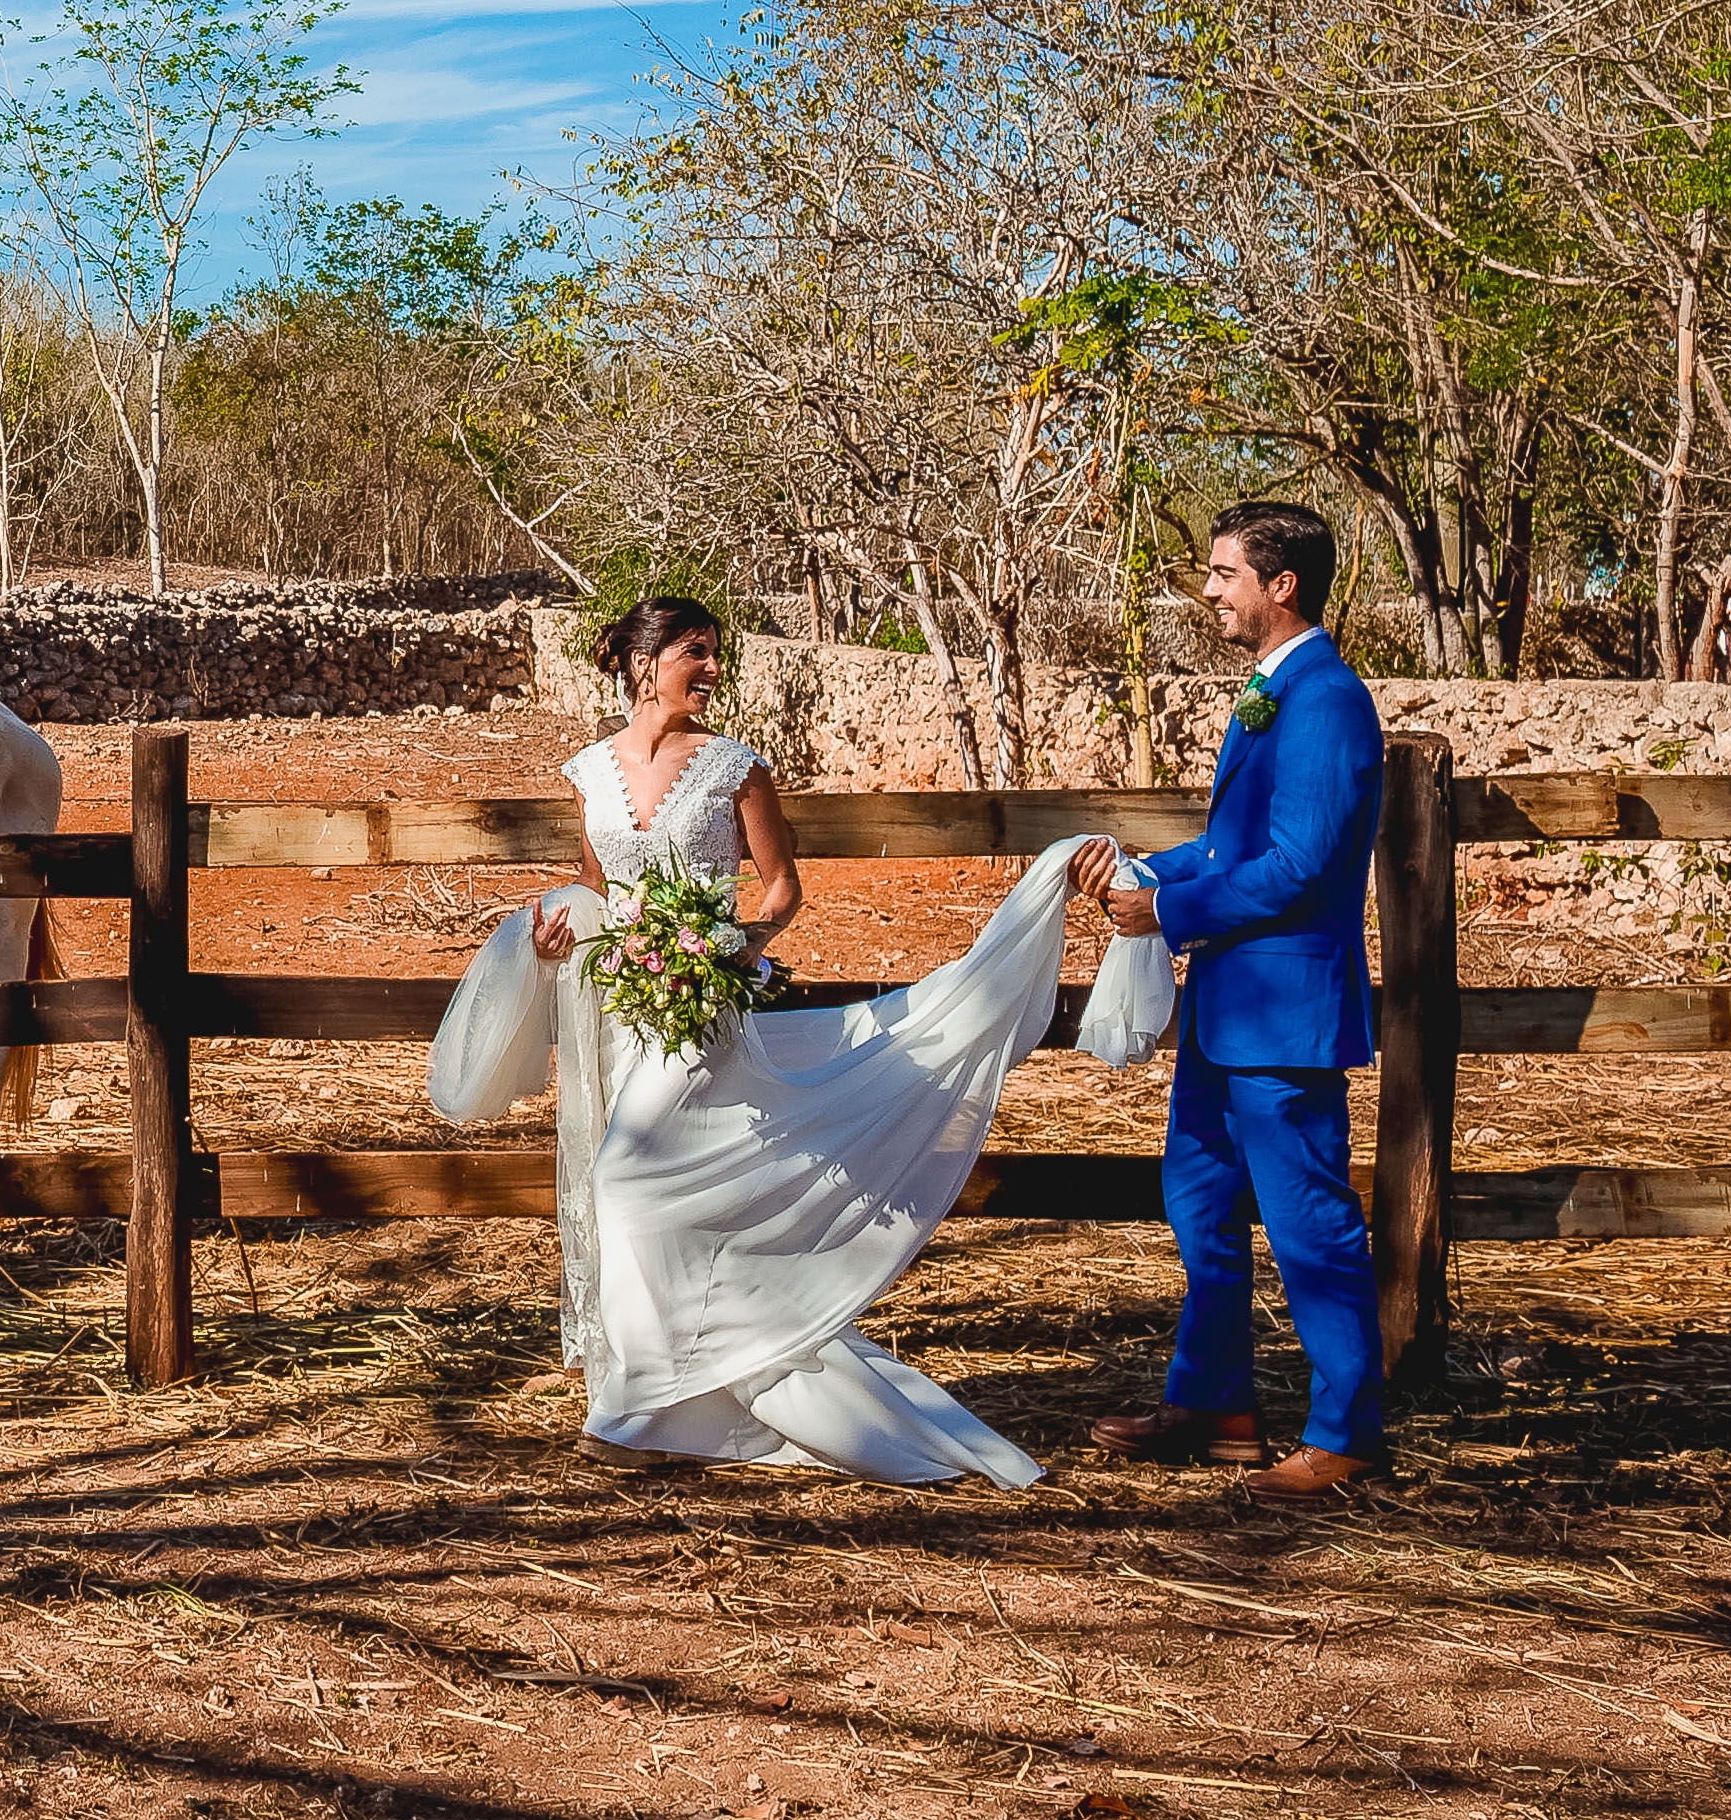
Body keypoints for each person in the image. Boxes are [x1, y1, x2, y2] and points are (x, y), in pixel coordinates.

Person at [428, 591, 1097, 1488]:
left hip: (703, 1009)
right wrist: (559, 934)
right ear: (642, 660)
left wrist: (730, 943)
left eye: (714, 655)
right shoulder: (588, 770)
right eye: (694, 653)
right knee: (660, 1200)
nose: (710, 671)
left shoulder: (735, 766)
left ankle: (636, 1412)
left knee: (629, 1182)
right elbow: (595, 887)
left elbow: (783, 889)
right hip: (623, 1013)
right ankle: (672, 1403)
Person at [1073, 500, 1390, 1501]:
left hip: (1284, 1016)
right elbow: (1226, 849)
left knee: (1308, 1225)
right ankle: (1213, 1406)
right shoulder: (1267, 694)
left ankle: (1344, 1436)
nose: (1206, 590)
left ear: (1278, 584)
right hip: (1225, 1008)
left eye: (1220, 573)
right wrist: (1134, 868)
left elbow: (1297, 866)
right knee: (1198, 1203)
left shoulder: (1325, 702)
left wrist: (1164, 911)